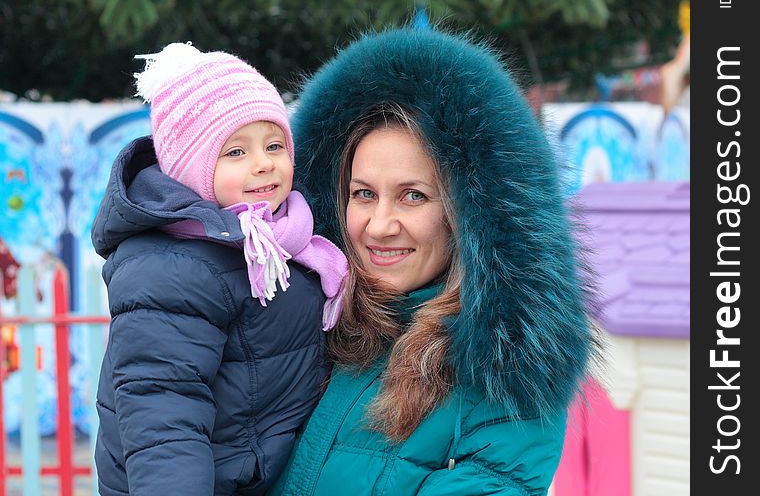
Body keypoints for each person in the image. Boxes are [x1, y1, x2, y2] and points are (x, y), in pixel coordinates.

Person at [270, 27, 597, 495]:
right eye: (363, 194)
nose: (379, 225)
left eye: (412, 196)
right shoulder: (297, 332)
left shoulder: (500, 377)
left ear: (467, 214)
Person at [91, 43, 347, 496]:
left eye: (273, 145)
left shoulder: (287, 239)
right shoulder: (171, 264)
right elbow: (162, 411)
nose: (263, 162)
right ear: (192, 170)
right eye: (235, 153)